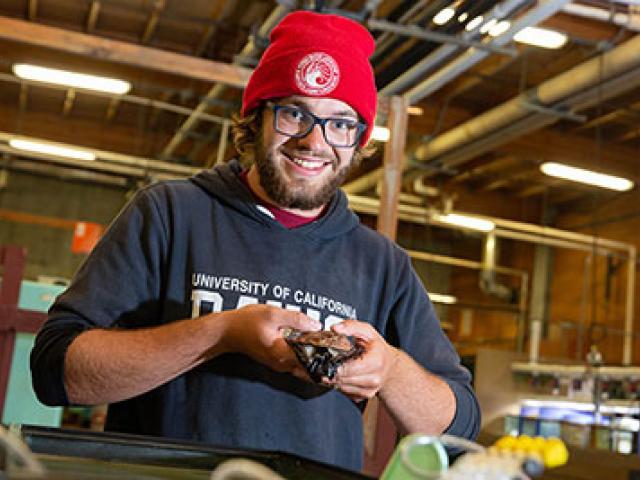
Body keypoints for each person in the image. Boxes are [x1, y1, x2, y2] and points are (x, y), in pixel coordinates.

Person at [31, 10, 480, 472]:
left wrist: (389, 369)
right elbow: (56, 372)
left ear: (359, 137)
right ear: (257, 117)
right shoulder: (169, 215)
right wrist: (222, 333)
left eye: (340, 122)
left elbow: (459, 429)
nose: (315, 141)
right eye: (294, 113)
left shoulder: (383, 265)